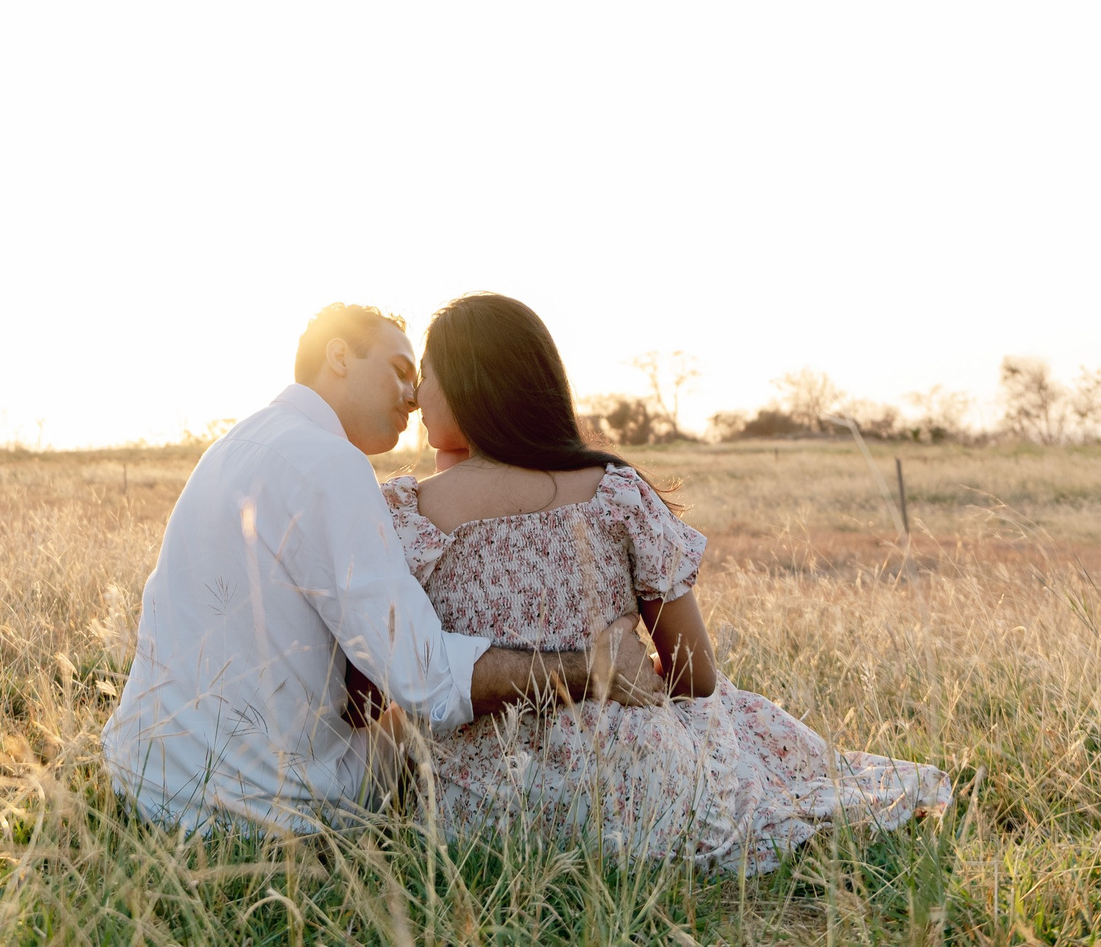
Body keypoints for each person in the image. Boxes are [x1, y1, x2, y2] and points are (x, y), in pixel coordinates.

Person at [381, 292, 953, 870]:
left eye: (427, 374)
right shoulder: (614, 492)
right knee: (735, 717)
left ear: (467, 382)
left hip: (479, 806)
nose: (416, 394)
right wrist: (626, 675)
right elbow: (695, 675)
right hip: (634, 791)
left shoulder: (406, 514)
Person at [102, 303, 663, 833]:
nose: (413, 397)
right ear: (339, 356)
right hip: (260, 807)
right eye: (398, 371)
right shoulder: (330, 463)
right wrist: (593, 668)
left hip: (145, 774)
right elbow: (426, 680)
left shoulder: (232, 446)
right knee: (423, 725)